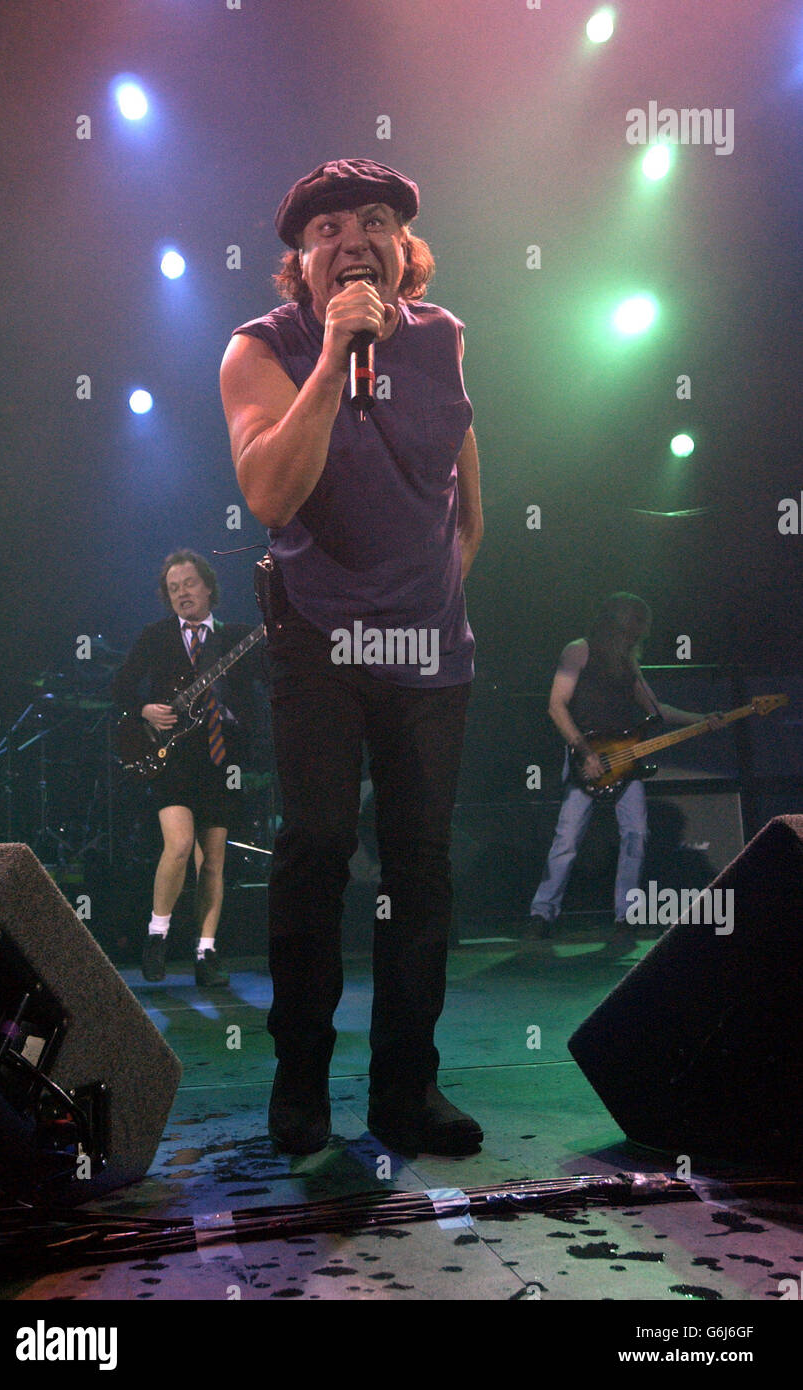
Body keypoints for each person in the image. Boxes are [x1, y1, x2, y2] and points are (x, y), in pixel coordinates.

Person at [219, 158, 484, 1156]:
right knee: (317, 850)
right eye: (328, 228)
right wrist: (333, 358)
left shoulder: (444, 338)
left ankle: (407, 1092)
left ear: (402, 249)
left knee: (420, 867)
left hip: (429, 650)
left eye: (375, 221)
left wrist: (434, 599)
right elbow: (272, 494)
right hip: (320, 642)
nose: (354, 238)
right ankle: (302, 1088)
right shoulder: (261, 348)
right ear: (301, 260)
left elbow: (467, 500)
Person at [529, 593, 722, 952]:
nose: (636, 638)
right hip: (587, 757)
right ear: (621, 625)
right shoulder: (579, 650)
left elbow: (656, 709)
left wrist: (702, 721)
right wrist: (583, 752)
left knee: (635, 836)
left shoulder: (627, 664)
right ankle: (541, 916)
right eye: (634, 629)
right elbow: (556, 705)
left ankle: (626, 918)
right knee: (567, 841)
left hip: (626, 760)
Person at [113, 550, 254, 986]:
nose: (182, 594)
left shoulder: (235, 638)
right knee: (178, 845)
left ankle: (205, 953)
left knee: (212, 861)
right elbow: (119, 685)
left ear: (209, 587)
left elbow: (263, 685)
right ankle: (157, 937)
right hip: (170, 759)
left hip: (217, 760)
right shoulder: (155, 636)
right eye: (173, 589)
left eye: (189, 584)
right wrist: (144, 710)